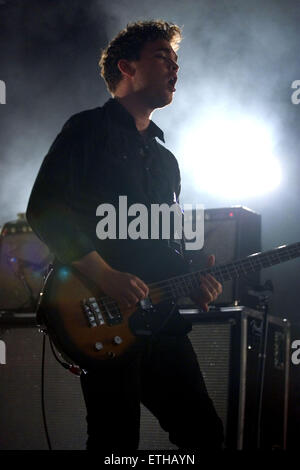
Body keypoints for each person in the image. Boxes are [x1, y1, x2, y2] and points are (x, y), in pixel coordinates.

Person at [26, 20, 224, 451]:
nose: (175, 68)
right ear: (126, 67)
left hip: (162, 322)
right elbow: (44, 209)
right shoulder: (86, 130)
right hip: (101, 313)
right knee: (114, 443)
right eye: (162, 57)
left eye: (177, 61)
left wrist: (194, 280)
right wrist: (106, 275)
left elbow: (162, 241)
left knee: (205, 435)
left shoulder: (166, 160)